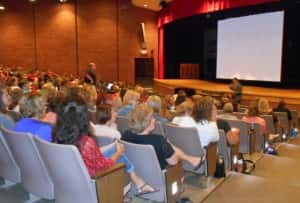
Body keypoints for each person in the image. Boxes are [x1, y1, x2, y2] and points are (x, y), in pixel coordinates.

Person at [55, 97, 157, 196]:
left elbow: (90, 155)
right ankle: (138, 182)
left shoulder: (58, 138)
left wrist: (111, 147)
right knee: (120, 156)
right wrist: (118, 153)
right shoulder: (86, 142)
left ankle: (138, 181)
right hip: (97, 182)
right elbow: (104, 166)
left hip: (72, 181)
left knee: (115, 147)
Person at [122, 103, 204, 170]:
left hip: (136, 170)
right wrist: (175, 154)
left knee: (167, 144)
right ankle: (192, 160)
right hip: (160, 176)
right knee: (169, 150)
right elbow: (174, 162)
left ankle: (192, 160)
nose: (154, 120)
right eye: (152, 118)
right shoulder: (158, 140)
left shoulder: (126, 135)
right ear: (146, 122)